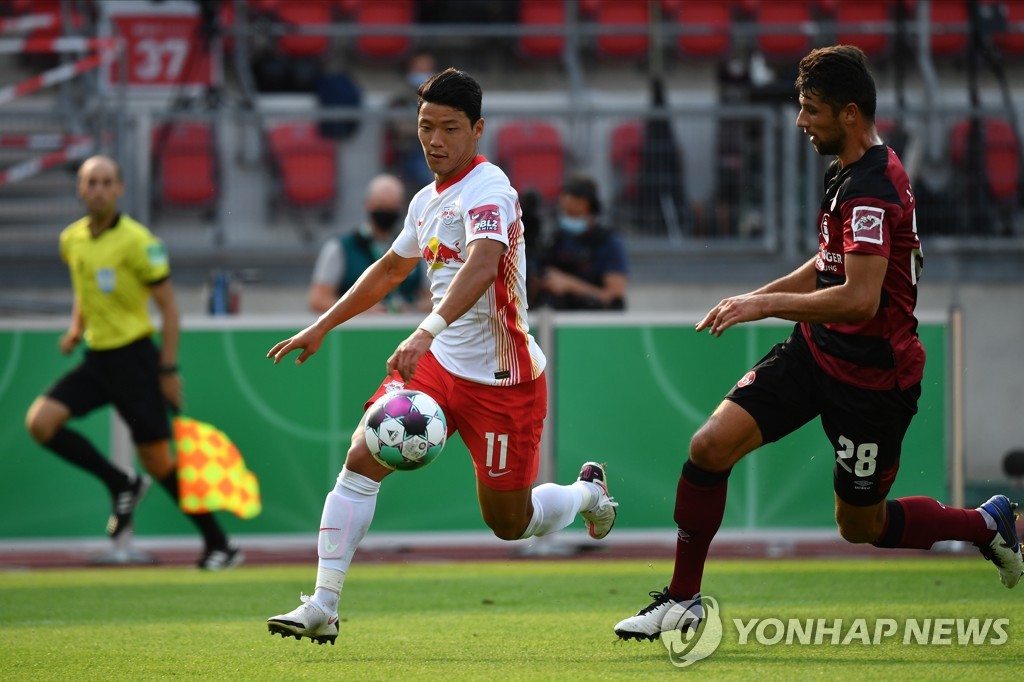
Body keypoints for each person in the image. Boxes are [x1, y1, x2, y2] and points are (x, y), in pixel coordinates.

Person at [614, 45, 1022, 642]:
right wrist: (754, 298)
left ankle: (986, 525)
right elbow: (828, 265)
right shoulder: (846, 174)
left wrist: (764, 305)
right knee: (709, 447)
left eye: (811, 110)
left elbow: (859, 297)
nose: (800, 122)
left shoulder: (873, 189)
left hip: (873, 379)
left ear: (850, 114)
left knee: (862, 526)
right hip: (816, 351)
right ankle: (683, 601)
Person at [265, 68, 618, 645]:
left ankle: (588, 495)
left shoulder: (491, 190)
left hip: (503, 380)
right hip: (435, 370)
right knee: (361, 456)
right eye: (426, 126)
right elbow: (390, 269)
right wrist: (323, 324)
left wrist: (426, 328)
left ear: (477, 130)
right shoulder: (426, 199)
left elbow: (482, 265)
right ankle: (324, 604)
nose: (435, 140)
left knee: (509, 523)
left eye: (450, 128)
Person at [24, 155, 243, 571]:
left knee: (158, 462)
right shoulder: (71, 239)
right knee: (40, 422)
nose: (99, 189)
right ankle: (119, 481)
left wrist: (167, 369)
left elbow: (169, 311)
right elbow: (84, 290)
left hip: (135, 361)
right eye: (92, 182)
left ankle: (221, 546)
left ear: (120, 189)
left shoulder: (139, 241)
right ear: (80, 189)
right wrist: (75, 329)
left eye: (107, 181)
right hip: (96, 360)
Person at [308, 173, 430, 314]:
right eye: (381, 205)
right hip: (358, 330)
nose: (387, 212)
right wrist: (357, 310)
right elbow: (318, 299)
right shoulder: (340, 247)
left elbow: (432, 297)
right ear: (368, 204)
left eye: (392, 206)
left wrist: (412, 309)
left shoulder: (414, 247)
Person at [535, 175, 629, 310]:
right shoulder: (555, 240)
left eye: (573, 213)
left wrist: (570, 285)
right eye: (565, 213)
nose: (566, 218)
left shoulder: (609, 242)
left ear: (587, 205)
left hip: (596, 320)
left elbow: (614, 297)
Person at [384, 51, 438, 198]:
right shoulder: (401, 96)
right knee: (424, 172)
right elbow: (400, 126)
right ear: (411, 68)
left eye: (428, 68)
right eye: (421, 69)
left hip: (439, 146)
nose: (425, 73)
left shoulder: (441, 94)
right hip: (410, 149)